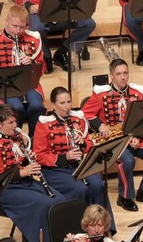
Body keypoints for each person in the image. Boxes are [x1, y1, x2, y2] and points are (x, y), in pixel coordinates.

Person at [81, 58, 143, 211]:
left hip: (133, 136)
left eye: (125, 73)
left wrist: (138, 138)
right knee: (127, 160)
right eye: (118, 74)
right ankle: (125, 196)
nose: (123, 77)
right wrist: (101, 126)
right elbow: (85, 114)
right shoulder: (101, 94)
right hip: (113, 141)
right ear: (111, 75)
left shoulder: (138, 92)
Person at [0, 104, 56, 242]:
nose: (15, 126)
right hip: (6, 191)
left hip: (24, 183)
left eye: (15, 122)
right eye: (10, 123)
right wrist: (23, 172)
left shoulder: (16, 138)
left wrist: (29, 157)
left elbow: (19, 160)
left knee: (58, 199)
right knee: (43, 204)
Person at [33, 86, 114, 218]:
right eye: (62, 103)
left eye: (69, 102)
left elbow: (90, 146)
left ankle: (103, 226)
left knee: (98, 184)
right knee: (79, 189)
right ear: (53, 105)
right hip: (55, 170)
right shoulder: (44, 124)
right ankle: (82, 228)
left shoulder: (79, 119)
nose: (67, 107)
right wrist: (65, 157)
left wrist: (83, 143)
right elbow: (39, 156)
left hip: (79, 166)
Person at [0, 5, 47, 136]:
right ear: (6, 21)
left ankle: (35, 142)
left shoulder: (33, 39)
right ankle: (13, 141)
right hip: (2, 87)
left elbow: (42, 69)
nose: (18, 31)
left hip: (28, 85)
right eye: (14, 26)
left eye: (22, 27)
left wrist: (32, 63)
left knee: (37, 106)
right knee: (16, 108)